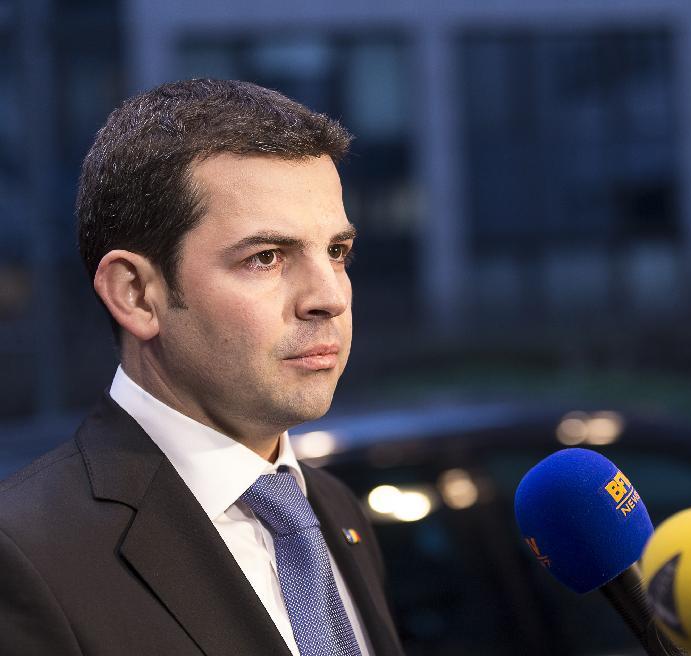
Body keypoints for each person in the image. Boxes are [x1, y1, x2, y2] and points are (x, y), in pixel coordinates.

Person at [0, 79, 405, 656]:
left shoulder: (334, 508)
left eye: (336, 252)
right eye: (266, 258)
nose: (329, 297)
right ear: (137, 294)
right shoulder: (25, 552)